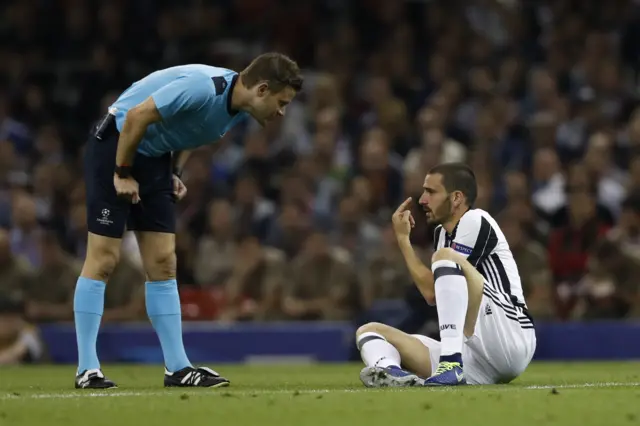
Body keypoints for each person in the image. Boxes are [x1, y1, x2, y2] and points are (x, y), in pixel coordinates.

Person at [74, 53, 303, 389]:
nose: (282, 111)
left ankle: (178, 368)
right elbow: (137, 116)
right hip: (116, 144)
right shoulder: (202, 88)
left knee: (164, 262)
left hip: (155, 159)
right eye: (282, 102)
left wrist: (175, 171)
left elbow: (192, 131)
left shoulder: (238, 108)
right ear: (263, 89)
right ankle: (87, 369)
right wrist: (122, 173)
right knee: (105, 258)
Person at [355, 163, 536, 386]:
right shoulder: (442, 235)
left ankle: (450, 364)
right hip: (474, 353)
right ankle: (389, 371)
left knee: (445, 257)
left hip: (509, 332)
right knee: (369, 331)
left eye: (431, 192)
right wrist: (403, 240)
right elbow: (431, 296)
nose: (422, 200)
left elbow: (433, 287)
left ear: (457, 197)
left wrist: (437, 255)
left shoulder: (476, 219)